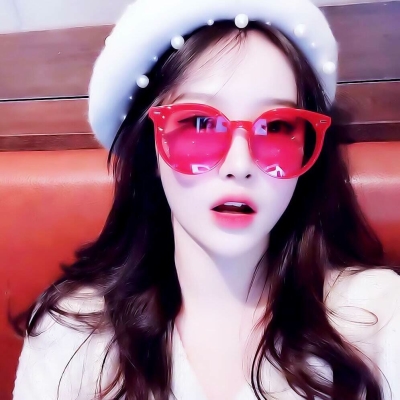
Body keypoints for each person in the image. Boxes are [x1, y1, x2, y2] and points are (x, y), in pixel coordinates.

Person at [12, 0, 400, 399]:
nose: (240, 165)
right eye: (199, 123)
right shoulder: (72, 334)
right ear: (150, 149)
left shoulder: (382, 317)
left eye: (277, 127)